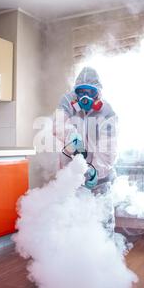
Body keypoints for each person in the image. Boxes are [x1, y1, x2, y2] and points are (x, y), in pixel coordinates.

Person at [54, 66, 118, 234]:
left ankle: (106, 257)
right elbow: (57, 124)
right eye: (81, 91)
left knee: (103, 221)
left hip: (100, 176)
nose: (85, 97)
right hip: (73, 174)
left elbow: (108, 149)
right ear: (75, 92)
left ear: (98, 94)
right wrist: (70, 134)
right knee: (73, 220)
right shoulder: (69, 102)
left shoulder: (108, 113)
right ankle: (76, 256)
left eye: (90, 92)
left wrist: (95, 170)